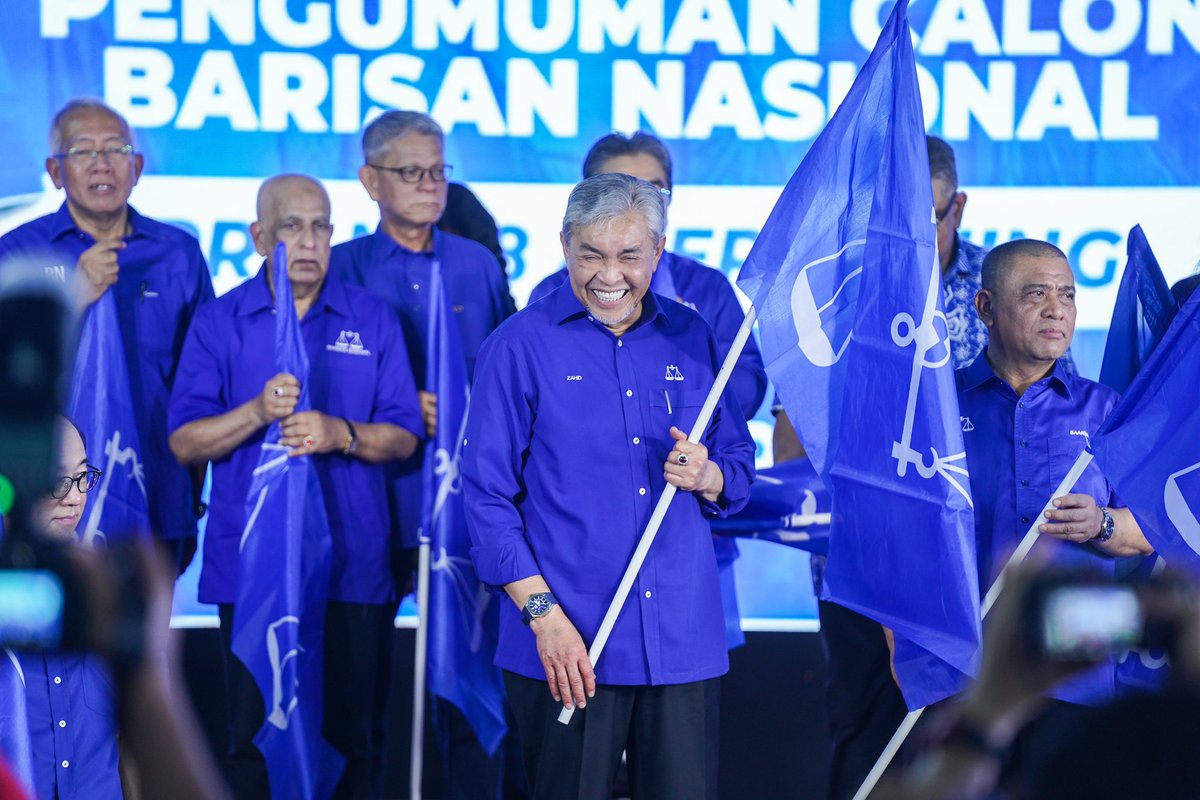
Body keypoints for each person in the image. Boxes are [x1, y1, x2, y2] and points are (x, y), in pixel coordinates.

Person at [463, 173, 756, 799]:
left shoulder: (693, 334)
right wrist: (542, 615)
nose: (609, 275)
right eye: (591, 254)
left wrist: (709, 475)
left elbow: (738, 463)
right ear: (565, 244)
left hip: (681, 637)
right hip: (567, 644)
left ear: (658, 250)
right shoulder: (516, 346)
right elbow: (485, 498)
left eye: (628, 255)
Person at [167, 174, 422, 798]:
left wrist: (342, 432)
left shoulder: (373, 318)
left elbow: (406, 436)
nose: (309, 241)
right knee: (252, 743)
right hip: (253, 570)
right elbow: (184, 442)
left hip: (352, 569)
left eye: (321, 227)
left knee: (351, 745)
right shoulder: (219, 321)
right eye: (291, 227)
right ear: (259, 237)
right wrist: (256, 412)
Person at [0, 98, 214, 570]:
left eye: (115, 149)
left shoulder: (177, 254)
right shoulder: (15, 254)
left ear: (137, 167)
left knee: (142, 640)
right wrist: (75, 294)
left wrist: (191, 498)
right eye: (82, 151)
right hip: (47, 501)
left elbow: (202, 383)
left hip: (157, 490)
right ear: (55, 172)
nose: (102, 163)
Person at [19, 417, 123, 800]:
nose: (75, 496)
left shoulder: (111, 590)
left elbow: (131, 739)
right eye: (58, 480)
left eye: (83, 477)